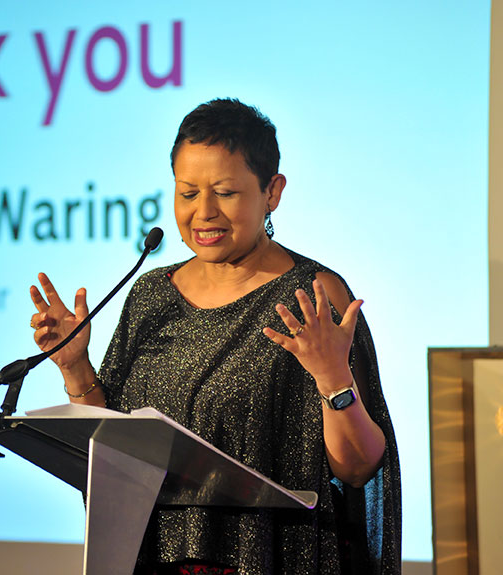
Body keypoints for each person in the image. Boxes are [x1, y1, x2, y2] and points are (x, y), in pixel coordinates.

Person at [28, 99, 401, 574]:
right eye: (187, 193)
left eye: (225, 192)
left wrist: (333, 380)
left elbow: (359, 468)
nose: (203, 213)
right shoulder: (151, 295)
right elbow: (115, 449)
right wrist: (75, 367)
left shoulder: (312, 297)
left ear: (272, 191)